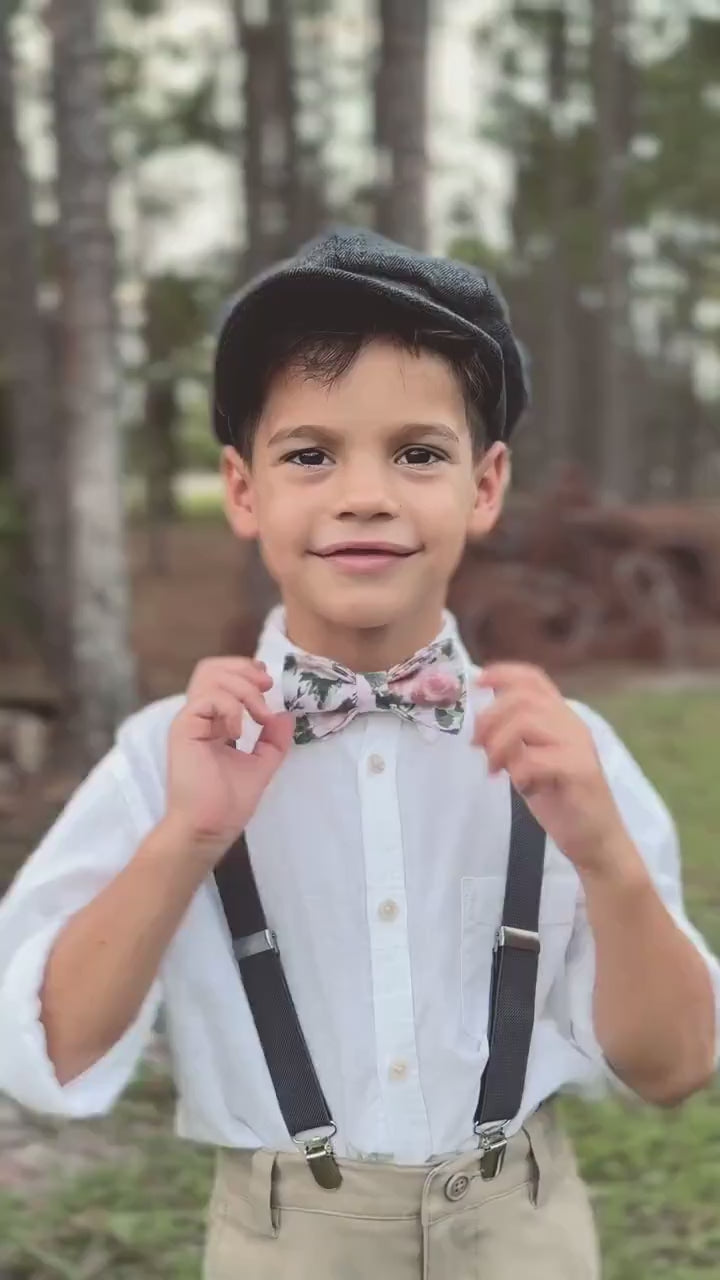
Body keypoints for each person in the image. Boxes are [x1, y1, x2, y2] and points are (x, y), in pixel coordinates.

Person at [0, 229, 718, 1280]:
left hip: (526, 1229)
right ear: (245, 491)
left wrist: (607, 857)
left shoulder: (569, 758)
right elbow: (45, 1051)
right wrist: (185, 838)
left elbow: (676, 1067)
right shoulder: (166, 758)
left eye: (419, 451)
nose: (365, 493)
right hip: (281, 1238)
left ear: (485, 484)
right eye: (311, 453)